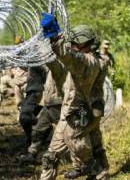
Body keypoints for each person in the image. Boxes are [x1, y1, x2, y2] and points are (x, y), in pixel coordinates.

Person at [40, 14, 109, 180]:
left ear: (87, 44)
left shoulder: (86, 62)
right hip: (84, 111)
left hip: (77, 114)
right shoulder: (100, 60)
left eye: (76, 43)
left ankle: (90, 169)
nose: (73, 46)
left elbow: (66, 54)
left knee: (74, 146)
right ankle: (100, 171)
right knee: (93, 144)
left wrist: (55, 36)